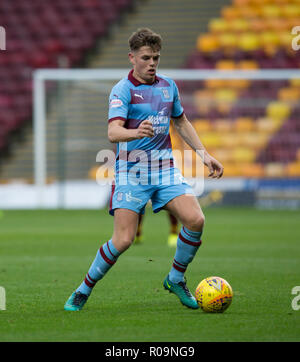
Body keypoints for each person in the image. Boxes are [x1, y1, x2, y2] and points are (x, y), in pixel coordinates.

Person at [64, 28, 223, 311]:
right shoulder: (122, 90)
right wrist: (136, 132)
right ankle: (83, 289)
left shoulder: (168, 86)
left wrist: (204, 155)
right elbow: (113, 132)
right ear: (132, 58)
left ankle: (176, 278)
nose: (152, 63)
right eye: (146, 58)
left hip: (165, 171)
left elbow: (182, 122)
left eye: (156, 58)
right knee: (123, 240)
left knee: (196, 220)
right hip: (131, 173)